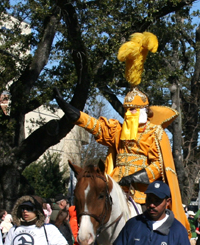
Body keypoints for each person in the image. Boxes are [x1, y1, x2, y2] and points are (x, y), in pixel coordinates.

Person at [56, 32, 189, 231]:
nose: (129, 114)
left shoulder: (155, 132)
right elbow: (97, 126)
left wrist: (135, 177)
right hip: (115, 184)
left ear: (145, 111)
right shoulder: (118, 130)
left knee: (154, 227)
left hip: (143, 193)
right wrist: (76, 115)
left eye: (133, 110)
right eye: (127, 110)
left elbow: (158, 166)